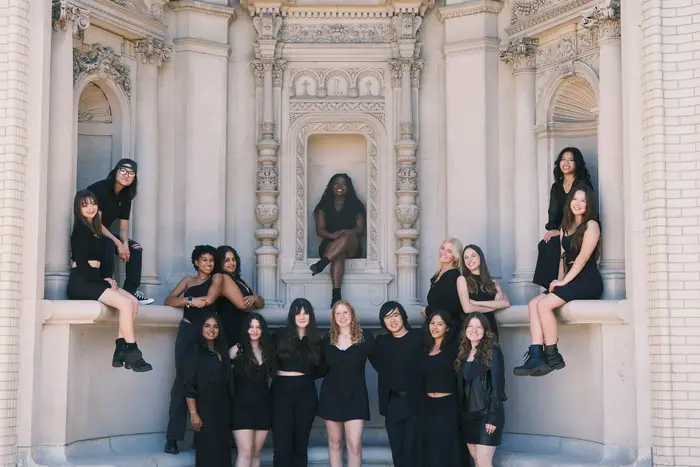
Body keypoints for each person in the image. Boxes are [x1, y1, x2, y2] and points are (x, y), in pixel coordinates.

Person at [515, 185, 603, 377]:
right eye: (575, 199)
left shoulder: (592, 226)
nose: (578, 204)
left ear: (588, 204)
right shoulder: (565, 227)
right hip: (570, 280)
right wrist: (559, 280)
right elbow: (563, 259)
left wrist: (565, 282)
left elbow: (582, 258)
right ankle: (536, 354)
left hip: (587, 280)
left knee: (545, 305)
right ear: (569, 201)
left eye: (583, 200)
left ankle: (553, 356)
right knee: (533, 304)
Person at [67, 190, 152, 372]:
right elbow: (81, 265)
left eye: (93, 203)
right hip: (81, 283)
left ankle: (120, 349)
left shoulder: (97, 232)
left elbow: (102, 264)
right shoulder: (80, 231)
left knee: (133, 301)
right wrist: (105, 282)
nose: (90, 208)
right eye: (85, 205)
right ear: (78, 209)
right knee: (124, 304)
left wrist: (108, 280)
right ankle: (133, 351)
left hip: (94, 280)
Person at [164, 245, 221, 455]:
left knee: (206, 383)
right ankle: (173, 438)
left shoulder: (217, 280)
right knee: (182, 382)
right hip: (188, 331)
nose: (208, 263)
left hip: (209, 333)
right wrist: (190, 300)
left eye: (211, 260)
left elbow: (211, 300)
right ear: (196, 262)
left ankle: (202, 437)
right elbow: (169, 300)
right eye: (204, 260)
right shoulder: (188, 280)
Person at [87, 158, 154, 304]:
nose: (126, 175)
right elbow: (96, 223)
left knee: (135, 248)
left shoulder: (126, 196)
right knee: (109, 243)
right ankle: (107, 286)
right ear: (116, 171)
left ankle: (130, 291)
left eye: (131, 173)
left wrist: (124, 243)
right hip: (90, 233)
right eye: (123, 170)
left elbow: (123, 227)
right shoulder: (101, 188)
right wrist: (118, 242)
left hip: (106, 233)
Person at [319, 300, 375, 467]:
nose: (342, 316)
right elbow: (318, 367)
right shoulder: (327, 339)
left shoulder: (365, 338)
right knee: (335, 443)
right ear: (333, 317)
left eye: (345, 312)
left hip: (356, 397)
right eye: (338, 313)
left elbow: (382, 360)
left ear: (352, 314)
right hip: (331, 396)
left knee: (354, 446)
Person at [271, 298, 326, 467]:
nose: (302, 316)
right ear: (292, 316)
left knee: (300, 446)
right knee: (282, 446)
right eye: (298, 313)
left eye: (306, 312)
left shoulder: (316, 339)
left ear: (311, 316)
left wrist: (305, 375)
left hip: (306, 393)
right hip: (281, 391)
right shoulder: (279, 335)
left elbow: (323, 368)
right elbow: (268, 361)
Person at [369, 301, 424, 467]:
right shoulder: (382, 342)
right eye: (387, 317)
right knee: (397, 451)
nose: (392, 320)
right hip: (392, 404)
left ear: (403, 316)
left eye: (395, 315)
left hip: (416, 403)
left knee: (412, 451)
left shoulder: (419, 338)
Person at [532, 147, 594, 290]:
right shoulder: (557, 187)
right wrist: (553, 230)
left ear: (577, 164)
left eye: (571, 160)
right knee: (545, 244)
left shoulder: (582, 185)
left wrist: (561, 231)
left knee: (556, 243)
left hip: (579, 227)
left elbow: (585, 212)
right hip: (562, 229)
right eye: (563, 159)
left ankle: (561, 284)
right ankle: (551, 286)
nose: (566, 163)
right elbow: (553, 213)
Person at [183, 313, 234, 467]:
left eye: (215, 326)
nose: (211, 330)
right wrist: (194, 414)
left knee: (223, 450)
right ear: (201, 328)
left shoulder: (222, 351)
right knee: (208, 451)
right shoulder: (193, 351)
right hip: (205, 407)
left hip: (224, 407)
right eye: (207, 326)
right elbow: (188, 385)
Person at [455, 313, 506, 467]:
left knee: (484, 462)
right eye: (470, 326)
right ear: (465, 330)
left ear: (485, 330)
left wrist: (492, 417)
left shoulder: (493, 351)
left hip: (486, 416)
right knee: (477, 461)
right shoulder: (462, 354)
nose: (474, 330)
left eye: (479, 327)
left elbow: (498, 386)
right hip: (468, 417)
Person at [309, 173, 367, 306]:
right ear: (331, 186)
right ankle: (336, 295)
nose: (340, 186)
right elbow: (320, 230)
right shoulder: (323, 206)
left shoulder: (356, 205)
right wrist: (333, 236)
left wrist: (343, 233)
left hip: (353, 245)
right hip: (329, 245)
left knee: (347, 236)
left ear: (348, 187)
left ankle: (322, 263)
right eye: (336, 183)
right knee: (339, 255)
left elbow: (360, 230)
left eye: (344, 184)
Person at [230, 313, 276, 467]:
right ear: (246, 329)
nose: (254, 330)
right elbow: (222, 374)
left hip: (263, 405)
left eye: (258, 327)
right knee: (246, 452)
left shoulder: (268, 350)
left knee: (257, 453)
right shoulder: (238, 349)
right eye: (251, 327)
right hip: (242, 406)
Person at [419, 310, 463, 467]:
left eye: (440, 324)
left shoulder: (454, 349)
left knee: (449, 449)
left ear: (448, 328)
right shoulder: (425, 349)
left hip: (448, 405)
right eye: (432, 323)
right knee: (431, 450)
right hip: (428, 405)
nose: (435, 327)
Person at [457, 245, 510, 341]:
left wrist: (476, 303)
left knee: (493, 355)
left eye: (473, 255)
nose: (469, 259)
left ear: (480, 257)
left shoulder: (492, 282)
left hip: (490, 327)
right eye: (466, 257)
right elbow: (467, 309)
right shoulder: (462, 279)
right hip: (472, 330)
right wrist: (494, 306)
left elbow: (506, 303)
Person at [214, 246, 264, 346]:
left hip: (242, 328)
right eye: (227, 260)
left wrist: (254, 299)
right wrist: (255, 301)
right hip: (231, 328)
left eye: (233, 259)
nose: (231, 263)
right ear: (220, 262)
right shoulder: (224, 278)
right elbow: (244, 306)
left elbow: (262, 303)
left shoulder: (239, 281)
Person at [420, 238, 464, 329]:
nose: (443, 252)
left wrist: (427, 310)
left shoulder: (453, 275)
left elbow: (452, 307)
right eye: (442, 248)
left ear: (455, 257)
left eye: (449, 251)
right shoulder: (437, 276)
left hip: (448, 329)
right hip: (435, 326)